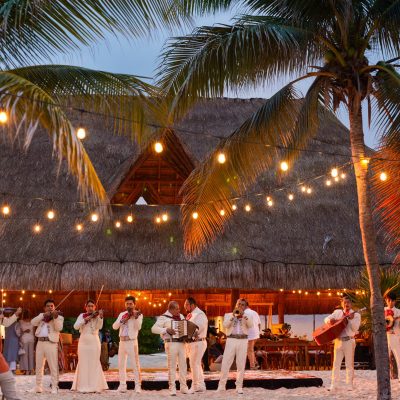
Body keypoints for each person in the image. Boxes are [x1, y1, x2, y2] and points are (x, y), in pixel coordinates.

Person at [151, 301, 189, 396]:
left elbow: (186, 328)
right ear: (171, 309)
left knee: (183, 366)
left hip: (182, 344)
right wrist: (166, 330)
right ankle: (172, 388)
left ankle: (184, 387)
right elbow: (153, 329)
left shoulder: (181, 316)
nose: (179, 311)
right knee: (172, 366)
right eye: (177, 309)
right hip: (170, 343)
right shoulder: (163, 317)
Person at [324, 294, 361, 391]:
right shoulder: (337, 312)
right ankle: (334, 384)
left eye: (348, 302)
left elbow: (355, 329)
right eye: (344, 302)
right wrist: (330, 321)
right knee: (336, 364)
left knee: (349, 364)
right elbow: (326, 319)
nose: (346, 304)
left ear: (351, 304)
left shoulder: (356, 315)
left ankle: (349, 385)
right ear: (341, 303)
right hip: (338, 341)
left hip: (349, 341)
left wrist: (351, 320)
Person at [217, 298, 253, 394]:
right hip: (231, 340)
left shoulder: (248, 316)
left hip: (243, 340)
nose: (240, 306)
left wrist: (243, 315)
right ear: (236, 305)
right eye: (239, 304)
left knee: (241, 364)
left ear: (245, 307)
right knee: (225, 363)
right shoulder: (228, 315)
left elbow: (251, 325)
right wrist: (234, 316)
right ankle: (221, 385)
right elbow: (225, 325)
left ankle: (239, 386)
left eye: (243, 305)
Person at [72, 300, 108, 393]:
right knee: (83, 361)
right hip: (83, 341)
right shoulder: (82, 315)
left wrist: (100, 316)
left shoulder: (97, 316)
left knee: (94, 361)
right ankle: (82, 385)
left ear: (95, 307)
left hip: (94, 341)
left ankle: (95, 385)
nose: (90, 308)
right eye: (89, 306)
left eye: (92, 306)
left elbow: (100, 327)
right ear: (85, 307)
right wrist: (85, 319)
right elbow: (75, 326)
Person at [31, 299, 64, 394]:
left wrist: (56, 317)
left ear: (54, 307)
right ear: (44, 308)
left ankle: (54, 386)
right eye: (48, 306)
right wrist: (43, 315)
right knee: (39, 366)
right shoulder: (41, 316)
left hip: (51, 343)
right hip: (40, 342)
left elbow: (59, 328)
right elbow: (33, 322)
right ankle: (38, 386)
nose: (50, 307)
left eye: (52, 306)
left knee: (53, 366)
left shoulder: (59, 317)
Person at [112, 296, 142, 393]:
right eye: (127, 304)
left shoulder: (138, 314)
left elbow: (138, 327)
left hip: (131, 341)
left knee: (135, 364)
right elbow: (114, 327)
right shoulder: (122, 314)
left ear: (134, 304)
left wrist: (136, 317)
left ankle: (137, 385)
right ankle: (122, 385)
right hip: (122, 341)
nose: (129, 306)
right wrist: (122, 321)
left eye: (131, 304)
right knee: (121, 364)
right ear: (125, 305)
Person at [184, 297, 208, 393]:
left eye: (186, 304)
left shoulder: (200, 314)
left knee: (194, 364)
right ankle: (201, 385)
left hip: (198, 342)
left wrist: (188, 334)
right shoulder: (190, 315)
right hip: (192, 343)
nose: (184, 306)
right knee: (196, 364)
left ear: (192, 305)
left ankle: (194, 386)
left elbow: (199, 328)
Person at [384, 292, 400, 381]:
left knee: (398, 357)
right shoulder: (382, 310)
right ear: (386, 300)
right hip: (385, 337)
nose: (390, 302)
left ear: (395, 302)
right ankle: (386, 377)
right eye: (388, 300)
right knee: (385, 358)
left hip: (395, 336)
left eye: (392, 301)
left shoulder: (398, 311)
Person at [16, 309, 35, 375]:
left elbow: (34, 332)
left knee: (31, 355)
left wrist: (35, 340)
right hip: (24, 339)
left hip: (31, 339)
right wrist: (24, 331)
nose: (27, 314)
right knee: (24, 355)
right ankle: (26, 370)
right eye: (26, 313)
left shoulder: (33, 321)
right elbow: (18, 332)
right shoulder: (20, 322)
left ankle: (31, 369)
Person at [243, 300, 261, 369]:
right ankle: (255, 363)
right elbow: (259, 324)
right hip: (255, 334)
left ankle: (252, 366)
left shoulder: (244, 313)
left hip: (249, 334)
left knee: (249, 349)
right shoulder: (255, 312)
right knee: (250, 349)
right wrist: (257, 334)